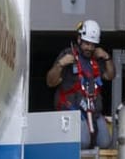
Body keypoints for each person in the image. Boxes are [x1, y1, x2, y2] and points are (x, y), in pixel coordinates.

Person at [46, 20, 114, 151]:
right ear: (79, 40)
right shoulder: (68, 55)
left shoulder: (96, 59)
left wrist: (107, 57)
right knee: (83, 142)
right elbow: (50, 82)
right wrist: (60, 64)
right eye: (86, 43)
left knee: (105, 142)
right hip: (73, 111)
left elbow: (110, 75)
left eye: (93, 45)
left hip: (93, 111)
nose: (89, 47)